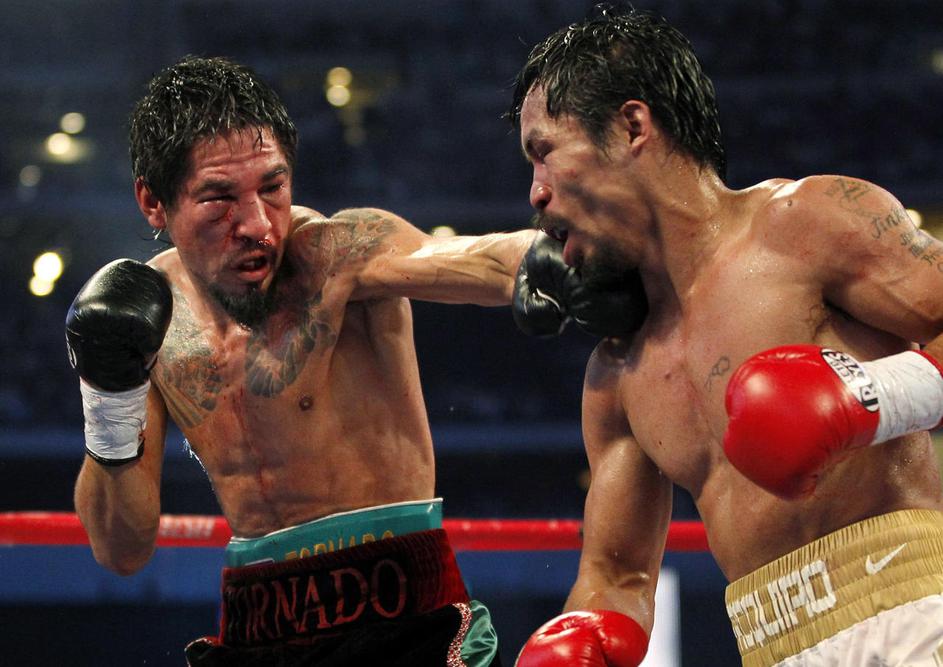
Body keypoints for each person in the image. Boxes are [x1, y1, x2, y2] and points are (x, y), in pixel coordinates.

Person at [62, 55, 551, 667]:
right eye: (219, 199)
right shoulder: (146, 321)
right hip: (255, 631)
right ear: (153, 203)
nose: (258, 225)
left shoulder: (336, 256)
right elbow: (120, 550)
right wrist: (109, 395)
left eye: (272, 187)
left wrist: (563, 259)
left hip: (405, 620)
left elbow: (476, 258)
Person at [508, 7, 943, 666]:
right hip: (768, 646)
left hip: (912, 613)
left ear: (632, 126)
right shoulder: (616, 375)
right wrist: (585, 635)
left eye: (543, 153)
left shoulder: (805, 225)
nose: (535, 194)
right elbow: (616, 575)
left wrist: (870, 395)